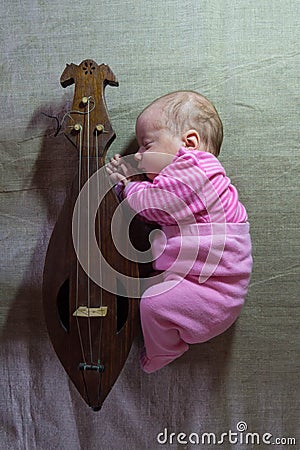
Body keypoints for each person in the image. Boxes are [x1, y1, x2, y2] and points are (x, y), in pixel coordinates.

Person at [106, 91, 252, 373]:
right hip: (200, 286)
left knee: (151, 304)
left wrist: (128, 185)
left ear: (189, 143)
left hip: (213, 295)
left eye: (146, 146)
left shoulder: (196, 171)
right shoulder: (190, 178)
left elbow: (152, 206)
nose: (138, 156)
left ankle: (164, 351)